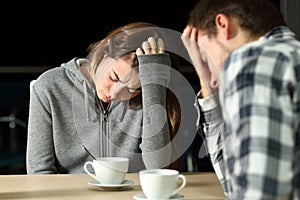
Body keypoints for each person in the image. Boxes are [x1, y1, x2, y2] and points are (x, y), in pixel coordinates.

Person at [181, 0, 300, 199]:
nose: (212, 78)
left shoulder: (256, 60)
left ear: (223, 25)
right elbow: (233, 184)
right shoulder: (288, 55)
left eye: (203, 55)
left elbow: (260, 193)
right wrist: (205, 81)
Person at [26, 22, 182, 174]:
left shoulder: (148, 93)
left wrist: (153, 86)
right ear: (104, 53)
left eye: (132, 89)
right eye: (113, 78)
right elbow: (39, 171)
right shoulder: (49, 87)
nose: (114, 94)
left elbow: (158, 170)